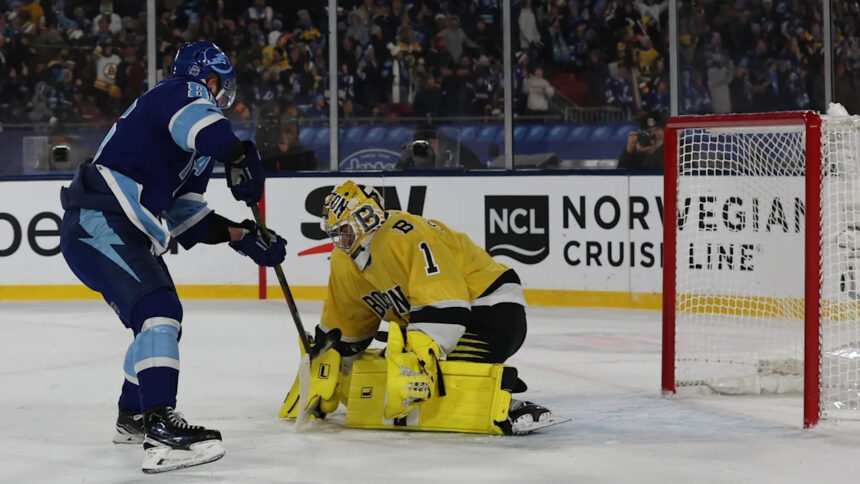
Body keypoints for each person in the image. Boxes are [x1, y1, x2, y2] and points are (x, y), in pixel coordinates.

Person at [58, 41, 287, 474]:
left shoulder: (193, 146)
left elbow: (187, 218)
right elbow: (218, 137)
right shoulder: (182, 92)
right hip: (100, 220)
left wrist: (242, 234)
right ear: (212, 80)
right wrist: (241, 156)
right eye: (220, 86)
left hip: (117, 226)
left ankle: (135, 416)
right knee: (160, 311)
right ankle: (162, 428)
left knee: (157, 321)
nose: (221, 96)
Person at [280, 181, 564, 435]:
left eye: (345, 230)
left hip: (492, 310)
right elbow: (346, 323)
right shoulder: (343, 261)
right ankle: (475, 377)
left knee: (426, 373)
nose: (342, 241)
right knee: (384, 369)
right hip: (441, 318)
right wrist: (324, 362)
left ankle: (504, 402)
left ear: (366, 218)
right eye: (336, 234)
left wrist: (419, 354)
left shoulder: (403, 234)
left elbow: (445, 304)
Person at [395, 124, 482, 170]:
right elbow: (397, 176)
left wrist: (439, 156)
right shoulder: (416, 153)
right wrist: (405, 158)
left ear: (436, 140)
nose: (425, 147)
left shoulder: (457, 151)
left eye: (429, 143)